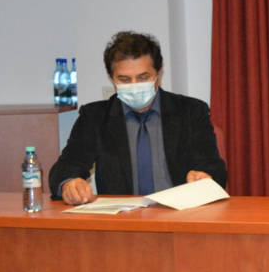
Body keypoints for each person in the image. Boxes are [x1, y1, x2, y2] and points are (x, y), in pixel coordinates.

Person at [50, 31, 227, 204]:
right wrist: (70, 184)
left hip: (181, 215)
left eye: (143, 77)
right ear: (112, 78)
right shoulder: (95, 117)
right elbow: (66, 167)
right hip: (123, 218)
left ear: (159, 73)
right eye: (125, 80)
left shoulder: (191, 111)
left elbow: (213, 167)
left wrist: (204, 177)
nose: (135, 86)